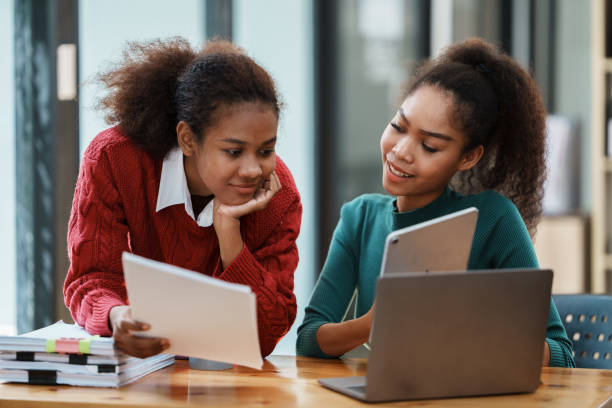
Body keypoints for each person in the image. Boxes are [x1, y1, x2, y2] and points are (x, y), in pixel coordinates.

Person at [296, 38, 574, 367]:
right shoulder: (359, 218)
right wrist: (374, 322)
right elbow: (309, 339)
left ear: (468, 157)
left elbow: (560, 353)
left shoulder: (493, 220)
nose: (401, 151)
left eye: (429, 146)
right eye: (398, 127)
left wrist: (477, 334)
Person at [64, 38, 302, 359]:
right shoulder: (114, 159)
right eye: (233, 151)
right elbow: (90, 278)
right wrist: (117, 316)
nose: (251, 169)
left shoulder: (278, 193)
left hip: (225, 384)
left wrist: (229, 235)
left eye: (265, 150)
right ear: (187, 139)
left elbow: (269, 331)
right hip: (138, 372)